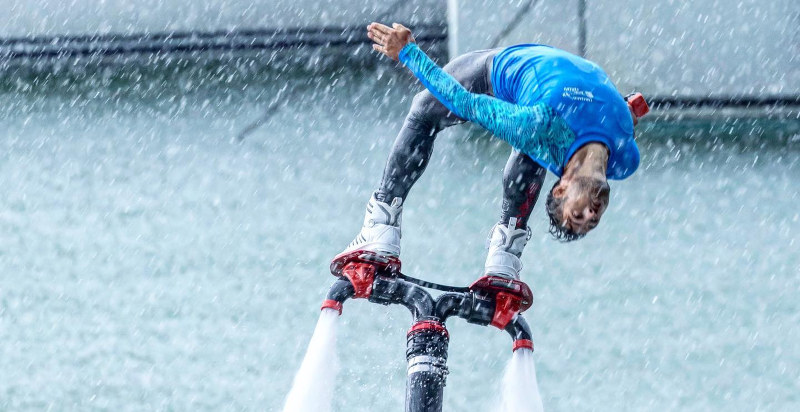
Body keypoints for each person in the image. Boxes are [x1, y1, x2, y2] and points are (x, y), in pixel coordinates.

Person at [336, 22, 648, 280]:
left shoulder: (536, 125)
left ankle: (384, 224)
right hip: (520, 75)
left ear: (561, 188)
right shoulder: (625, 160)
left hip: (503, 81)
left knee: (424, 111)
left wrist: (408, 53)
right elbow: (617, 116)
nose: (592, 212)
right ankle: (499, 250)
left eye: (580, 216)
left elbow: (464, 102)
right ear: (560, 188)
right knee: (533, 141)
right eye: (590, 218)